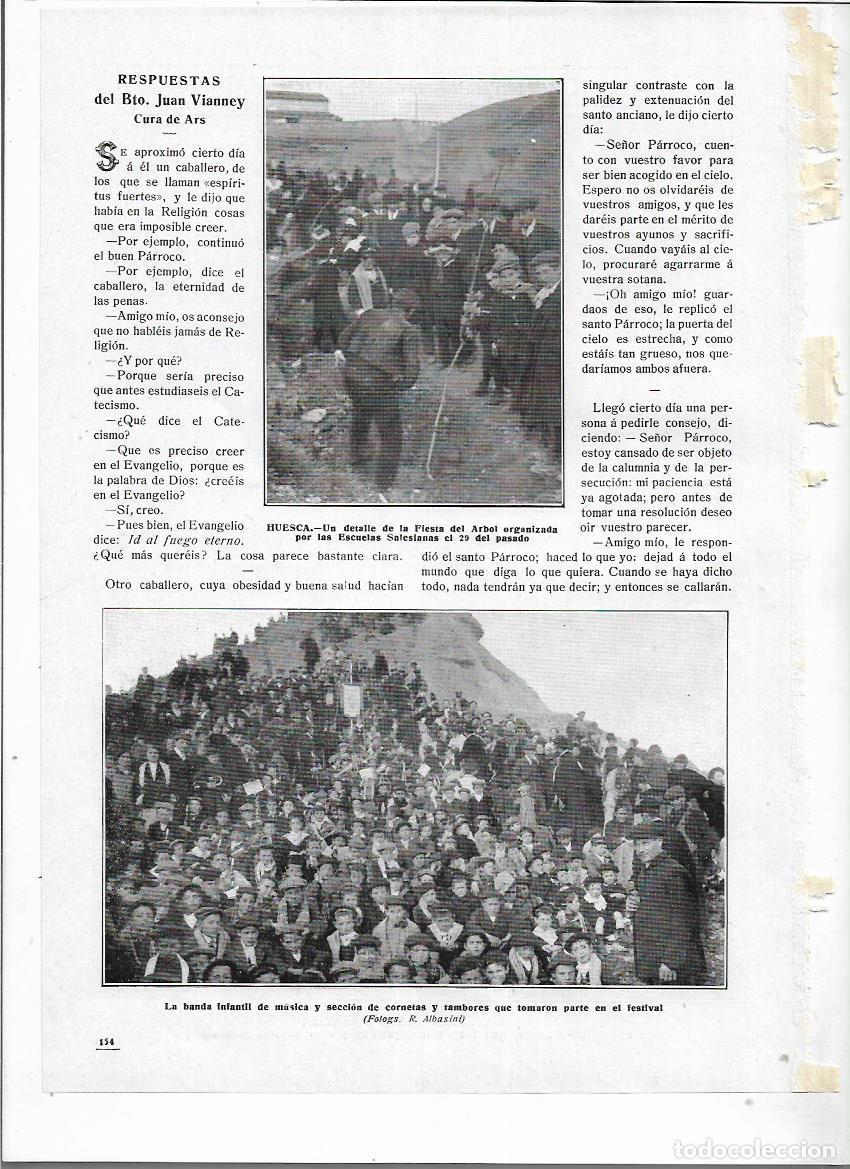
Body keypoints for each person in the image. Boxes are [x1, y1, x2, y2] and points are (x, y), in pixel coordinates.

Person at [338, 288, 421, 491]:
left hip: (352, 378)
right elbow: (412, 369)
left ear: (392, 302)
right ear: (411, 311)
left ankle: (356, 457)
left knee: (361, 413)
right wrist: (399, 386)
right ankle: (383, 485)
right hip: (378, 385)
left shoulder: (369, 314)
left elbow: (342, 340)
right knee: (392, 436)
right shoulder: (408, 330)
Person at [628, 821, 706, 985]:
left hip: (673, 963)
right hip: (654, 955)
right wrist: (633, 905)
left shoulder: (672, 872)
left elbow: (684, 920)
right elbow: (653, 907)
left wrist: (671, 961)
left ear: (660, 841)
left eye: (645, 843)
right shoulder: (647, 870)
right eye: (636, 844)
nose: (640, 849)